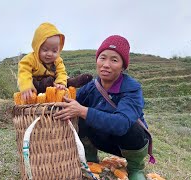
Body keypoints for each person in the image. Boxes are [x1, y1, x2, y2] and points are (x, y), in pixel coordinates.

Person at [54, 35, 154, 180]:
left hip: (129, 144)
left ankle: (135, 168)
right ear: (97, 60)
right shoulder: (91, 87)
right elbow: (70, 103)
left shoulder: (132, 89)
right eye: (102, 58)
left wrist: (83, 110)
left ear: (123, 66)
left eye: (114, 60)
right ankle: (90, 158)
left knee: (131, 126)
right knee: (76, 113)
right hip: (103, 140)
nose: (106, 64)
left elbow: (121, 125)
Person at [17, 22, 93, 102]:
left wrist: (60, 83)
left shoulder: (58, 60)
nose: (49, 54)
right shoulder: (30, 59)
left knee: (65, 79)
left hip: (53, 83)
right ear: (37, 47)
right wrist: (26, 85)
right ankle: (56, 83)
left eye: (54, 51)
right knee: (37, 81)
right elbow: (24, 71)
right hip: (37, 85)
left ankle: (73, 82)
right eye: (45, 50)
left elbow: (61, 72)